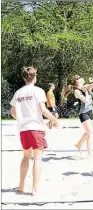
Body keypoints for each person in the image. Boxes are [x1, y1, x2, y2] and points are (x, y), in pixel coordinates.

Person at [10, 66, 59, 195]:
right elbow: (43, 110)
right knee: (37, 158)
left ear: (24, 77)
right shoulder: (38, 91)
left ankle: (21, 186)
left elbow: (13, 112)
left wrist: (22, 119)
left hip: (23, 128)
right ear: (34, 77)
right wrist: (54, 120)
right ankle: (35, 189)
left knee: (26, 157)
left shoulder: (19, 92)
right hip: (36, 127)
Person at [63, 75, 93, 155]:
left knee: (90, 132)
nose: (83, 77)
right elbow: (86, 101)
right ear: (77, 81)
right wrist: (86, 91)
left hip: (90, 111)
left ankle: (78, 144)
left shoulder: (86, 86)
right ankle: (90, 154)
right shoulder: (77, 91)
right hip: (83, 113)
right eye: (80, 77)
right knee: (89, 132)